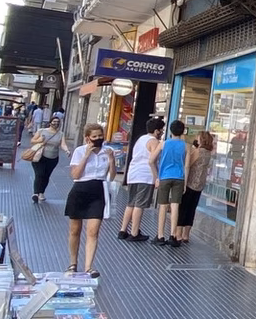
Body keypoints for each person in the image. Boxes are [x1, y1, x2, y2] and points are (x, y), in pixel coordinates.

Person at [64, 123, 114, 275]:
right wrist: (86, 155)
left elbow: (111, 177)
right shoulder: (79, 151)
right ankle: (73, 263)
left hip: (98, 191)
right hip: (80, 190)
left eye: (100, 136)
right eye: (95, 137)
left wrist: (111, 160)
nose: (98, 139)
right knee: (75, 230)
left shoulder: (107, 151)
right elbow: (75, 175)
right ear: (87, 138)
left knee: (93, 231)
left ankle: (88, 267)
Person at [118, 117, 164, 242]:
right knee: (140, 204)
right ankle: (134, 232)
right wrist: (156, 177)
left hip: (133, 173)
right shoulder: (154, 141)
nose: (161, 133)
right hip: (145, 175)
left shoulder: (140, 139)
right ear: (156, 131)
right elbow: (153, 160)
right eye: (161, 130)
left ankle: (123, 230)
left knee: (131, 203)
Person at [174, 125, 215, 244]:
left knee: (183, 208)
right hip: (200, 184)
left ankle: (178, 234)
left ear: (201, 139)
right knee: (192, 209)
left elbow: (188, 164)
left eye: (198, 137)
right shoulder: (208, 153)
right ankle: (187, 234)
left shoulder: (198, 151)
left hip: (190, 183)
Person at [152, 119, 190, 245]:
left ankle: (160, 235)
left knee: (163, 206)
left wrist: (157, 176)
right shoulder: (186, 146)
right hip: (179, 177)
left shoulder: (163, 144)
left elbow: (151, 160)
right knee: (175, 206)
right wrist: (185, 182)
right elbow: (187, 166)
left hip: (164, 177)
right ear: (183, 131)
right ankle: (173, 235)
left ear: (170, 131)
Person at [26, 114, 65, 205]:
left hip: (53, 158)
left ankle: (41, 192)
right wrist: (40, 141)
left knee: (46, 176)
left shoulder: (60, 134)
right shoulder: (42, 131)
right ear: (50, 123)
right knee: (39, 174)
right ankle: (36, 193)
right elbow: (32, 141)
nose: (56, 124)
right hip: (39, 156)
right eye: (54, 122)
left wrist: (67, 150)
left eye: (58, 122)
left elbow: (63, 144)